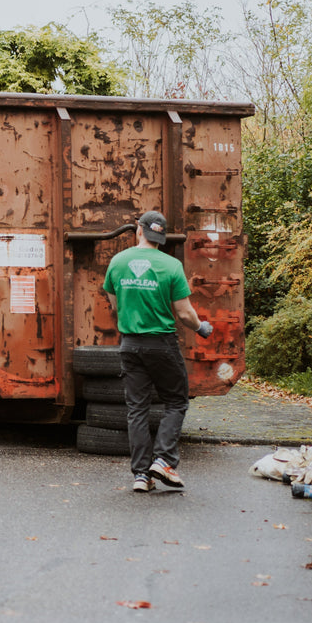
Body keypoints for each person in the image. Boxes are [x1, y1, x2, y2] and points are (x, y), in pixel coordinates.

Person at [102, 211, 212, 493]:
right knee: (176, 401)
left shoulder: (118, 262)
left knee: (137, 409)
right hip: (161, 344)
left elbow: (115, 306)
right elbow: (184, 313)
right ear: (159, 237)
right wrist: (201, 327)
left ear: (138, 230)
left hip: (130, 344)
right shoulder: (171, 266)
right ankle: (163, 460)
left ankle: (141, 475)